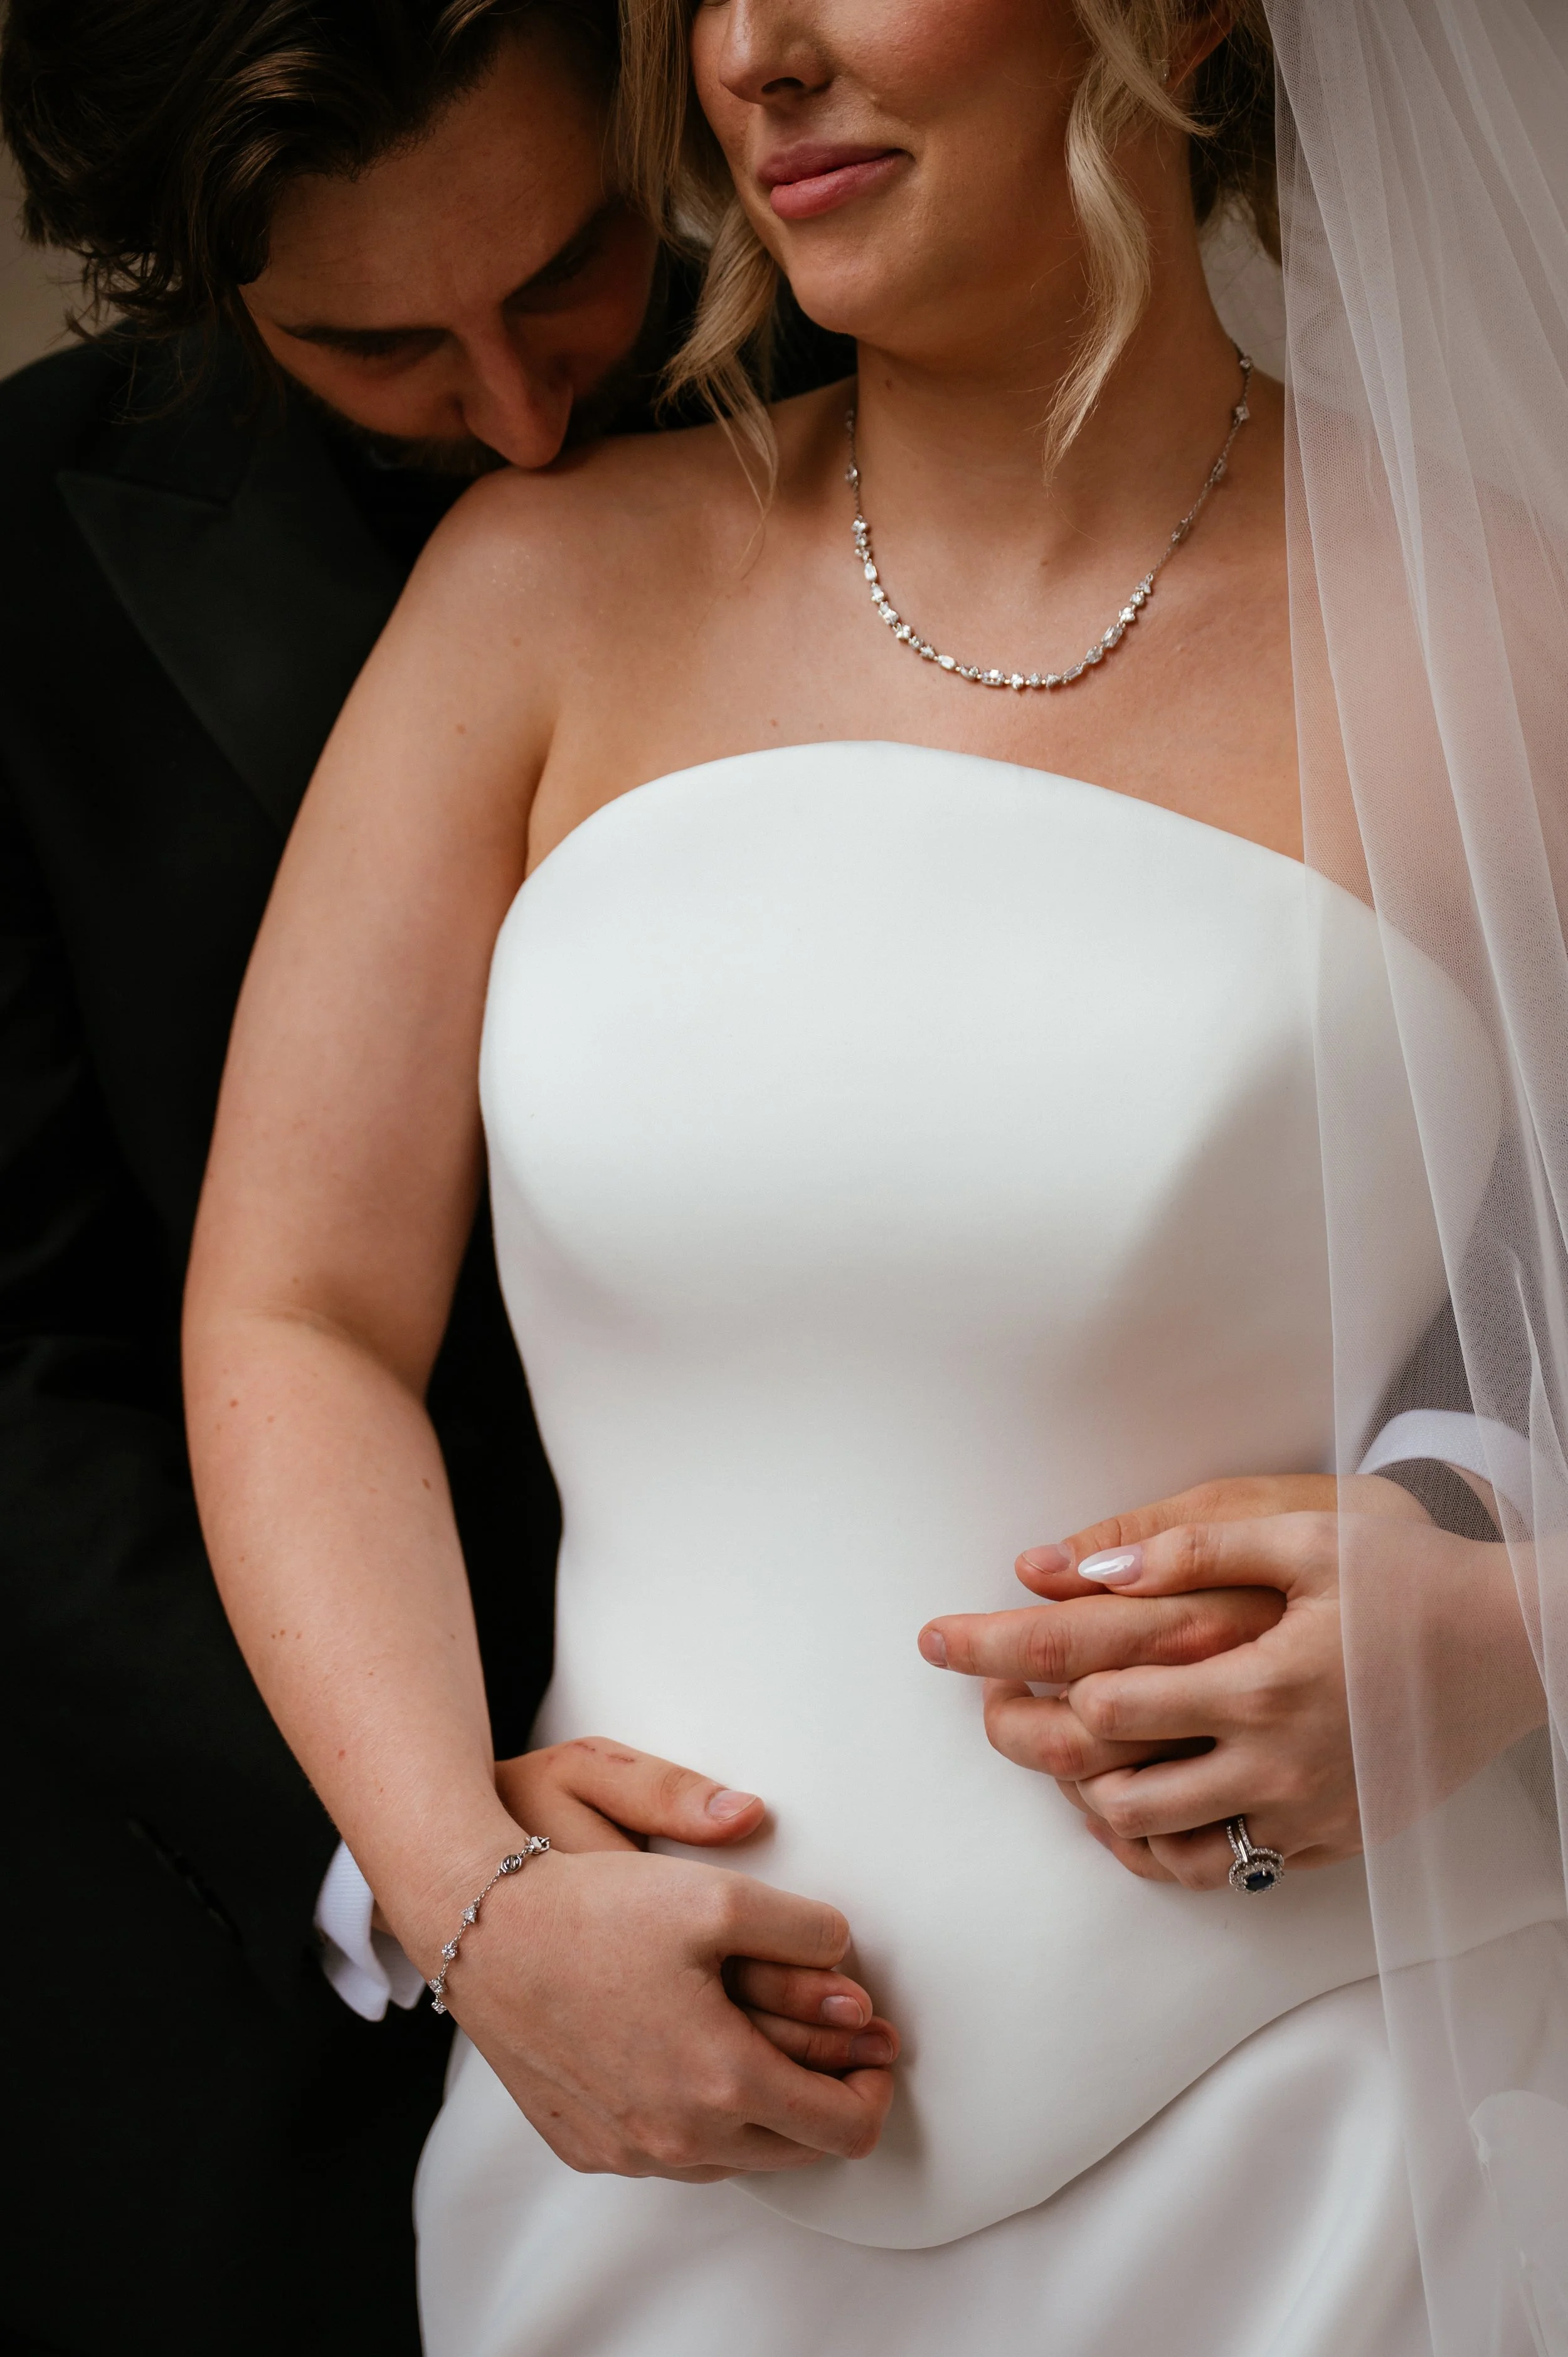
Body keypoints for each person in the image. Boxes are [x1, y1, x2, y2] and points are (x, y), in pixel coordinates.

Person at [182, 0, 1568, 2351]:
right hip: (629, 2142)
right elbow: (292, 1309)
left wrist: (1507, 1634)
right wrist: (474, 1900)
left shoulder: (1506, 644)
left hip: (1339, 2133)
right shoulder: (535, 595)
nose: (755, 52)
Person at [0, 3, 860, 2349]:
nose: (517, 408)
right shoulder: (15, 570)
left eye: (573, 270)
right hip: (238, 1970)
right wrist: (427, 1864)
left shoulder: (918, 369)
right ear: (188, 281)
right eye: (377, 344)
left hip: (931, 1884)